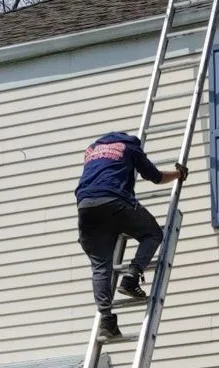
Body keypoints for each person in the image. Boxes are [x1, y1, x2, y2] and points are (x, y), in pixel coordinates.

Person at [75, 132, 187, 341]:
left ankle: (107, 320)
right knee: (153, 233)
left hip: (86, 207)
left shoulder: (91, 151)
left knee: (100, 267)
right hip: (115, 201)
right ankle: (131, 277)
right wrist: (179, 174)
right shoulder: (129, 147)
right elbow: (155, 177)